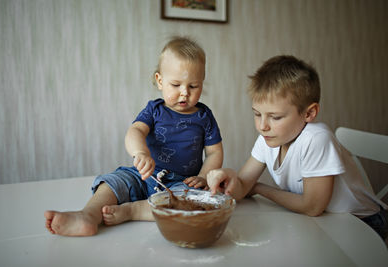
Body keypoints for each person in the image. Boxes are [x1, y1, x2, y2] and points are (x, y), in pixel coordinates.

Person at [44, 36, 223, 236]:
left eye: (193, 86)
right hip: (144, 174)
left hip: (181, 182)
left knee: (191, 200)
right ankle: (88, 215)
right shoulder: (154, 110)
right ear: (160, 81)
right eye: (176, 85)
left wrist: (202, 176)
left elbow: (215, 152)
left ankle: (132, 210)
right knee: (114, 181)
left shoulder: (204, 116)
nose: (184, 93)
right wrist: (140, 153)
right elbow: (135, 131)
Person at [207, 55, 388, 240]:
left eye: (275, 117)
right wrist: (229, 177)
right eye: (257, 114)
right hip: (327, 222)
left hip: (363, 223)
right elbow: (243, 187)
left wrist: (261, 188)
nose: (262, 126)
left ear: (309, 113)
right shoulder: (267, 139)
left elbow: (312, 207)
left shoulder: (317, 138)